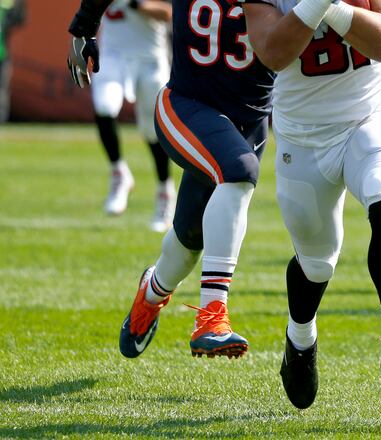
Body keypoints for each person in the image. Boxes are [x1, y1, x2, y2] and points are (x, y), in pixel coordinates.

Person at [239, 0, 381, 407]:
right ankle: (300, 339)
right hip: (303, 138)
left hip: (368, 117)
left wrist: (333, 8)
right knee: (317, 263)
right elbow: (274, 53)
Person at [68, 0, 276, 358]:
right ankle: (212, 316)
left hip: (250, 120)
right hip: (187, 105)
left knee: (188, 241)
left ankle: (151, 293)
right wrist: (83, 28)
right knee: (240, 172)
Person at [91, 0, 176, 232]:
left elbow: (171, 13)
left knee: (152, 130)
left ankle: (164, 191)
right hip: (113, 54)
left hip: (150, 58)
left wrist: (139, 5)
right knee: (105, 105)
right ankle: (119, 172)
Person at [0, 0, 25, 123]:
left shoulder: (8, 3)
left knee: (2, 87)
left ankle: (1, 119)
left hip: (3, 53)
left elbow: (20, 18)